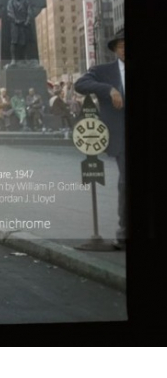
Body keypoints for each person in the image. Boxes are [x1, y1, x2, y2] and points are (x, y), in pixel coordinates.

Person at [75, 28, 126, 249]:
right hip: (121, 136)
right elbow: (81, 84)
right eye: (122, 45)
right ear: (115, 49)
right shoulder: (104, 71)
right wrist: (108, 89)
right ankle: (124, 233)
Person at [6, 0, 34, 64]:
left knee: (25, 42)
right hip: (15, 25)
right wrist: (15, 20)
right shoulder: (11, 2)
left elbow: (30, 11)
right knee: (14, 42)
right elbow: (9, 12)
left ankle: (25, 58)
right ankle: (13, 59)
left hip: (24, 24)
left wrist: (27, 21)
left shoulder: (25, 1)